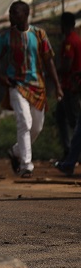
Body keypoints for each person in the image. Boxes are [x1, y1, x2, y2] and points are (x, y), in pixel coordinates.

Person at [0, 1, 63, 178]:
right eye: (10, 12)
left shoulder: (39, 35)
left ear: (25, 14)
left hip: (38, 86)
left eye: (14, 13)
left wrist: (57, 86)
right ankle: (26, 165)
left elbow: (49, 61)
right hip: (16, 85)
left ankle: (15, 151)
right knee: (24, 122)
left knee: (37, 127)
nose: (11, 16)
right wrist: (1, 77)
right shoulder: (5, 37)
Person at [55, 11, 81, 159]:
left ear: (63, 25)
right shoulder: (77, 39)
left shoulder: (69, 42)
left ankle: (73, 153)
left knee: (74, 121)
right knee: (61, 116)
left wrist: (50, 73)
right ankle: (69, 150)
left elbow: (67, 66)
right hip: (72, 86)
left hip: (71, 86)